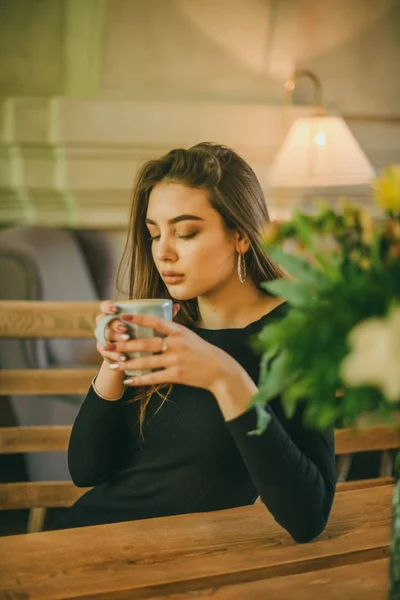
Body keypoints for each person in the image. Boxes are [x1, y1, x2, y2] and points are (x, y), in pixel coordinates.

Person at [57, 142, 336, 542]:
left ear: (240, 235)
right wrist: (112, 364)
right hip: (94, 544)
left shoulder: (298, 333)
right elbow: (85, 471)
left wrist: (226, 380)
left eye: (185, 232)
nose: (163, 253)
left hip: (183, 563)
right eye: (154, 234)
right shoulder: (163, 325)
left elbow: (309, 516)